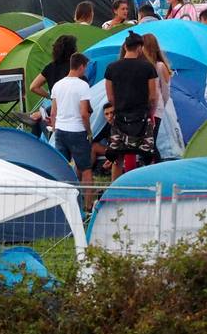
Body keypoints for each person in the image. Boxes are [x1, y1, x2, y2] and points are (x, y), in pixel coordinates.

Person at [104, 33, 159, 179]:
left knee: (117, 157)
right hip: (141, 117)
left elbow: (110, 97)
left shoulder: (111, 68)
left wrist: (118, 108)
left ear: (125, 47)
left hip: (120, 117)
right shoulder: (148, 68)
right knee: (147, 156)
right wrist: (150, 113)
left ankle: (114, 194)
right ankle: (148, 189)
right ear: (140, 48)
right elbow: (153, 96)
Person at [49, 52, 96, 208]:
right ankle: (88, 206)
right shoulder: (82, 85)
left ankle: (65, 205)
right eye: (85, 67)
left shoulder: (57, 85)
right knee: (86, 169)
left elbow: (53, 112)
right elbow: (84, 113)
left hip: (61, 131)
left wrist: (55, 129)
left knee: (63, 169)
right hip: (77, 131)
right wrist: (88, 131)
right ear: (81, 66)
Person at [142, 33, 182, 161]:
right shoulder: (147, 66)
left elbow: (165, 91)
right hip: (154, 106)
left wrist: (161, 106)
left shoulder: (159, 66)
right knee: (151, 141)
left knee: (153, 140)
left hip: (160, 107)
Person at [29, 33, 78, 128]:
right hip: (69, 112)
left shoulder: (50, 67)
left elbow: (33, 87)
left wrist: (50, 96)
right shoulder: (74, 68)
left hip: (55, 108)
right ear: (73, 50)